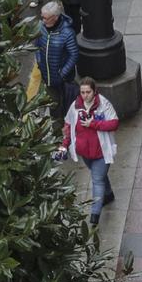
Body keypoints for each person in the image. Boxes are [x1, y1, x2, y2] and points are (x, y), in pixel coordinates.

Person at [55, 77, 119, 226]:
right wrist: (64, 146)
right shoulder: (75, 106)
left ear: (94, 91)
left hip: (101, 152)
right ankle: (108, 195)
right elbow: (69, 127)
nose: (85, 95)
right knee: (100, 175)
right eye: (82, 92)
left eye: (88, 92)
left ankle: (95, 215)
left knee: (96, 180)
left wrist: (94, 124)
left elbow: (114, 123)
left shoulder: (103, 104)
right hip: (85, 153)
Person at [34, 0, 78, 134]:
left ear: (55, 18)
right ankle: (58, 136)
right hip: (48, 78)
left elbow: (74, 54)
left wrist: (62, 73)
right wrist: (40, 62)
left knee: (68, 107)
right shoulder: (41, 27)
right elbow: (36, 46)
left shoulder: (67, 32)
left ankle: (73, 132)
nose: (43, 20)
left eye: (46, 18)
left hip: (64, 80)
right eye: (42, 17)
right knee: (54, 108)